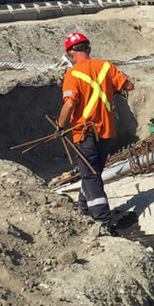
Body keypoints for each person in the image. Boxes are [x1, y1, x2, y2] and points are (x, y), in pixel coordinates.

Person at [56, 32, 134, 236]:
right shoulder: (106, 67)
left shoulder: (72, 74)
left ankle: (101, 219)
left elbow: (70, 103)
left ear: (70, 53)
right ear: (88, 49)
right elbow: (129, 85)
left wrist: (60, 125)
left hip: (85, 133)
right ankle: (83, 209)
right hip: (106, 131)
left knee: (90, 175)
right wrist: (111, 87)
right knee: (93, 173)